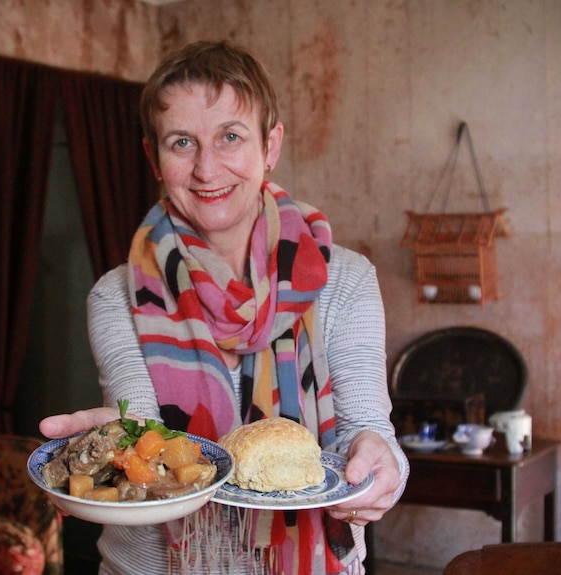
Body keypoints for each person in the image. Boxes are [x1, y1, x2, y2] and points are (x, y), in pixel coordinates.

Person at [40, 40, 409, 575]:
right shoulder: (117, 296)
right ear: (153, 156)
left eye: (230, 137)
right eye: (182, 142)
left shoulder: (344, 281)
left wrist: (380, 465)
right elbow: (144, 430)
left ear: (270, 145)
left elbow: (368, 431)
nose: (207, 170)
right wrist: (112, 449)